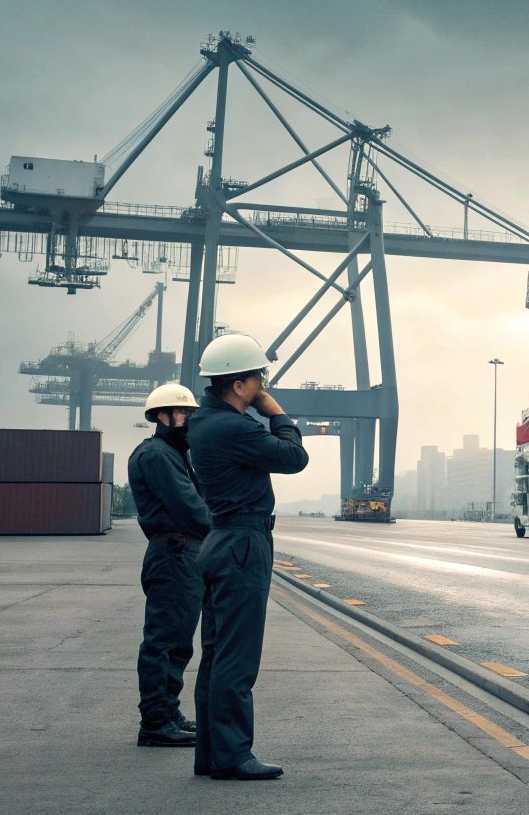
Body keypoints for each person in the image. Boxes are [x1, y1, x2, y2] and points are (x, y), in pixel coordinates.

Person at [186, 333, 309, 781]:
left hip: (222, 540)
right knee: (238, 657)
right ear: (238, 385)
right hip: (243, 543)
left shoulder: (202, 422)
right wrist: (278, 415)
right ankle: (234, 755)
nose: (263, 386)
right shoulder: (233, 427)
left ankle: (212, 754)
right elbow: (295, 457)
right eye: (258, 378)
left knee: (216, 655)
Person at [129, 383, 210, 748]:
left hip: (179, 554)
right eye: (183, 414)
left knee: (177, 641)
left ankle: (167, 711)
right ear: (162, 417)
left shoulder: (172, 453)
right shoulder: (158, 455)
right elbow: (190, 507)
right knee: (164, 640)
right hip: (174, 554)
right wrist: (224, 529)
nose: (189, 421)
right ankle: (156, 723)